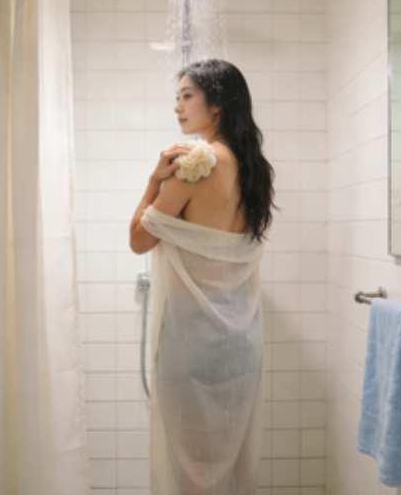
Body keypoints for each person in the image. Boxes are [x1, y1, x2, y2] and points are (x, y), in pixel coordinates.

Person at [130, 59, 276, 495]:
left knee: (189, 468)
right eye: (177, 97)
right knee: (228, 462)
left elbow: (139, 239)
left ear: (217, 105)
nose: (177, 106)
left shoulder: (201, 161)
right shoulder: (255, 168)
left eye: (187, 95)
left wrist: (153, 180)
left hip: (192, 342)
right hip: (240, 342)